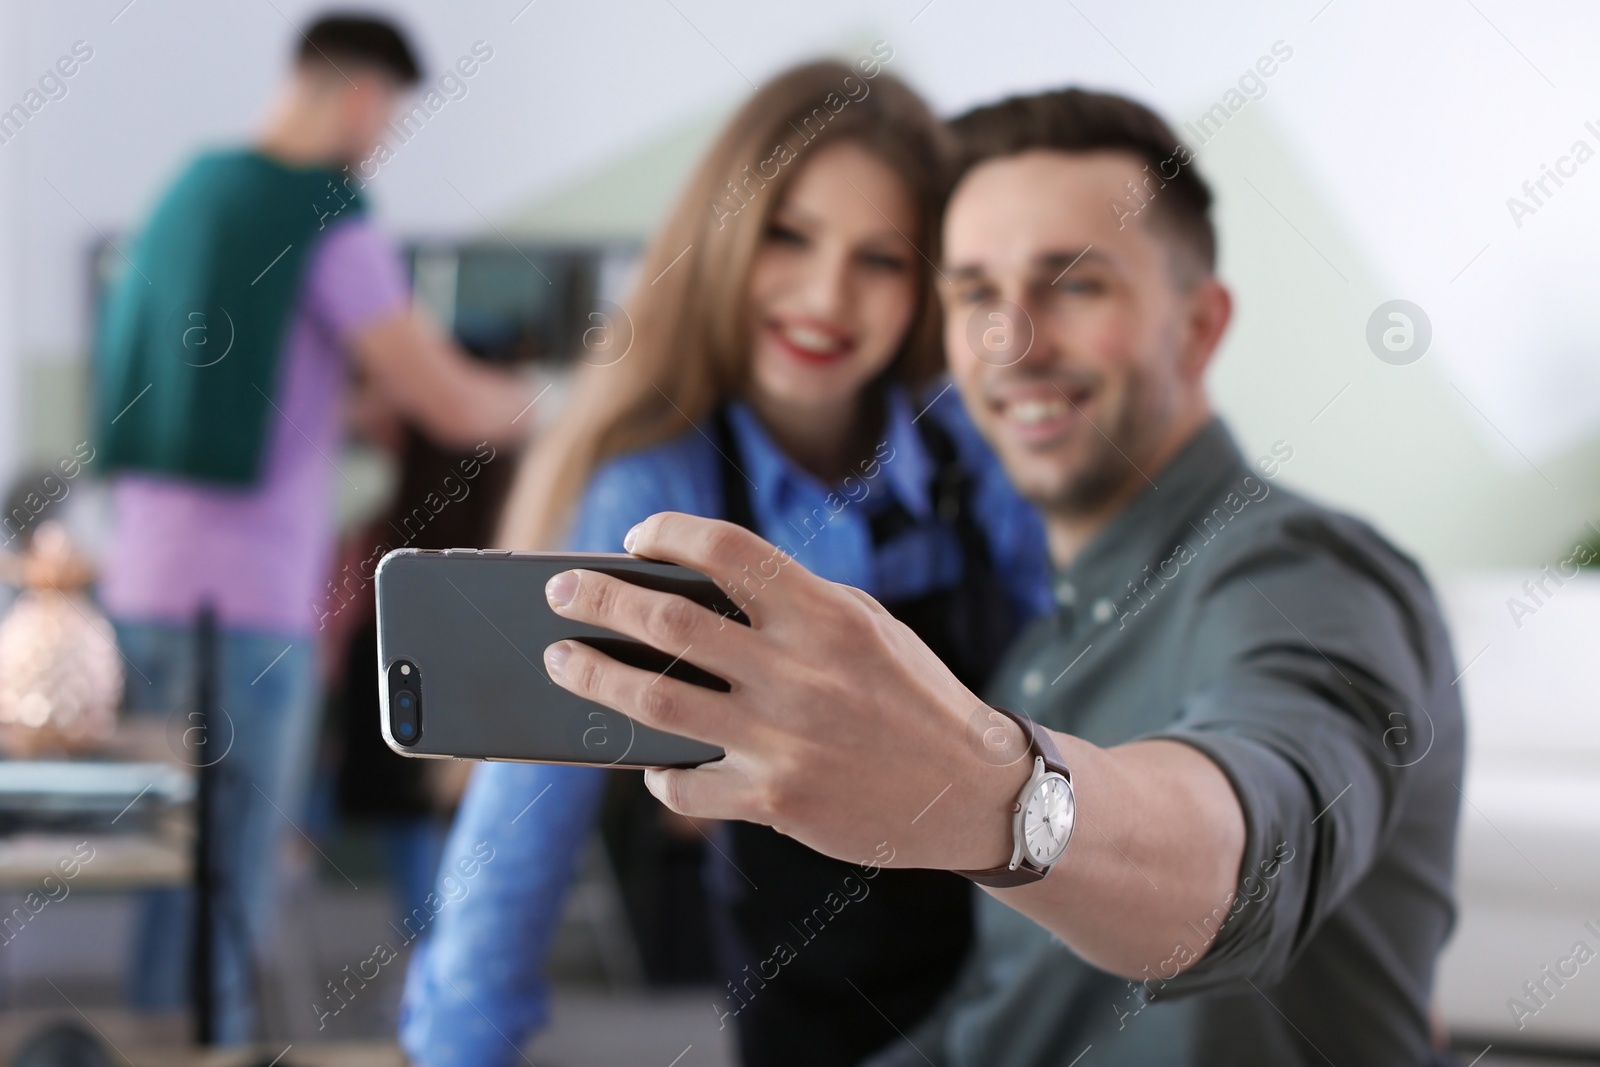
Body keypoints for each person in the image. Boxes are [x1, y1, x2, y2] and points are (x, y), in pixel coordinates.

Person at [533, 87, 1466, 1066]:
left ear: (1196, 327)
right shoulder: (1035, 653)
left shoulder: (1305, 571)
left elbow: (1245, 854)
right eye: (975, 290)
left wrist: (981, 788)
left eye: (1074, 283)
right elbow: (997, 1025)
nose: (1011, 340)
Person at [399, 59, 1053, 1067]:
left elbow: (1087, 705)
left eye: (880, 258)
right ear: (724, 235)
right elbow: (519, 836)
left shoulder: (979, 449)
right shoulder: (655, 491)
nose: (827, 295)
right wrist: (457, 1047)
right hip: (804, 1019)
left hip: (1022, 998)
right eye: (788, 235)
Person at [93, 14, 542, 1043]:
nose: (382, 139)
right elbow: (453, 403)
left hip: (144, 588)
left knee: (176, 864)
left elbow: (227, 388)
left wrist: (339, 407)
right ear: (358, 96)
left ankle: (160, 1042)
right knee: (236, 876)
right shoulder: (327, 217)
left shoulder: (192, 192)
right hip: (247, 609)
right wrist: (563, 406)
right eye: (388, 115)